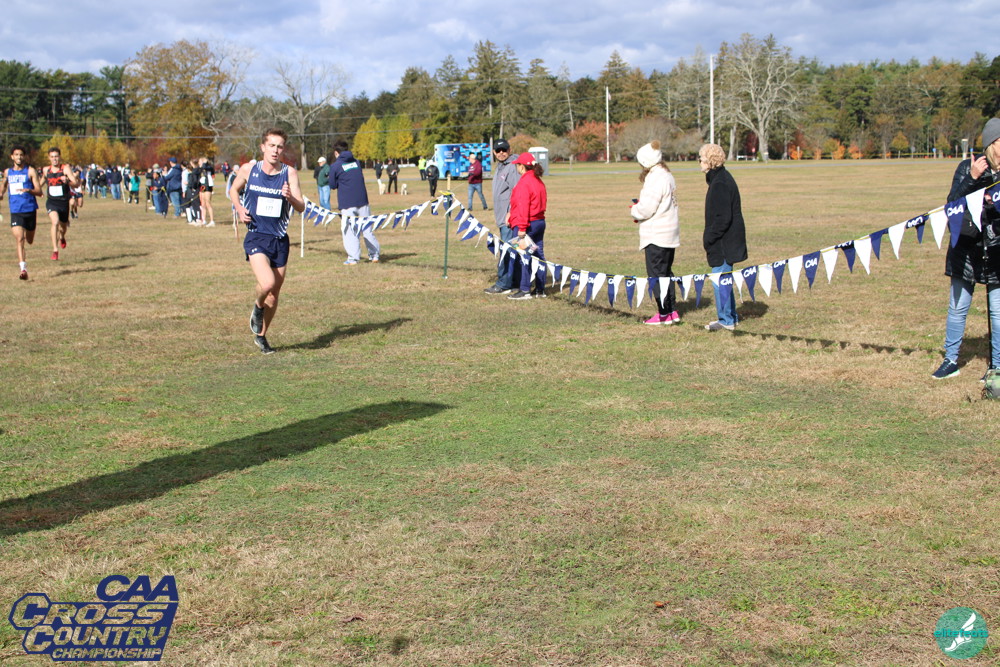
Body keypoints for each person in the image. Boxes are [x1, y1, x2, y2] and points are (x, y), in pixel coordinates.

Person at [932, 117, 1000, 380]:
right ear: (992, 143)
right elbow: (952, 204)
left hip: (996, 250)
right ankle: (950, 360)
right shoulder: (967, 167)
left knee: (997, 313)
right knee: (958, 308)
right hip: (966, 249)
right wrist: (972, 178)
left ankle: (996, 367)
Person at [229, 128, 305, 355]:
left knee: (274, 294)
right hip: (256, 235)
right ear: (263, 147)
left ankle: (261, 336)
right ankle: (257, 306)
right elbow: (233, 190)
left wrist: (290, 197)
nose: (275, 150)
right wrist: (239, 208)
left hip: (279, 239)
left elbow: (301, 206)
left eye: (279, 146)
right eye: (271, 145)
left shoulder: (289, 173)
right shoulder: (249, 169)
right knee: (267, 284)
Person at [630, 141, 681, 325]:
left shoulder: (655, 178)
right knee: (666, 273)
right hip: (669, 232)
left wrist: (634, 210)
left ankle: (664, 313)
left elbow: (646, 209)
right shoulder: (667, 175)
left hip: (657, 234)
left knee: (656, 275)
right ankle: (672, 311)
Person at [699, 143, 747, 331]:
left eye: (702, 159)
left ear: (710, 161)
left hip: (724, 242)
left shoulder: (720, 183)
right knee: (724, 279)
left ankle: (726, 320)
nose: (699, 162)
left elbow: (723, 218)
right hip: (725, 240)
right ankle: (730, 317)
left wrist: (709, 237)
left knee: (720, 279)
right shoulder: (719, 179)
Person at [330, 140, 380, 265]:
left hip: (347, 203)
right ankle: (374, 255)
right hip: (362, 200)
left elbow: (332, 185)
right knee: (367, 229)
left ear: (336, 153)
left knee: (349, 231)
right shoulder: (356, 162)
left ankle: (353, 258)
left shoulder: (335, 166)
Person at [506, 152, 547, 300]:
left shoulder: (524, 183)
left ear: (522, 166)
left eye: (517, 165)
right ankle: (540, 289)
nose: (516, 168)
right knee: (539, 255)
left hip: (527, 223)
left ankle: (524, 289)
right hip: (539, 222)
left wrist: (522, 228)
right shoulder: (538, 181)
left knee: (525, 256)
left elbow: (523, 206)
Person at [484, 139, 521, 295]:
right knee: (513, 250)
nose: (501, 153)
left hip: (509, 218)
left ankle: (503, 283)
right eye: (498, 150)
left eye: (504, 150)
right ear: (494, 152)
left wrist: (510, 213)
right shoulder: (500, 166)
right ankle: (515, 282)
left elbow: (517, 191)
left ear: (509, 150)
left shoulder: (512, 166)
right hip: (501, 216)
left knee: (506, 250)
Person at [0, 145, 43, 280]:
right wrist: (1, 193)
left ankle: (23, 266)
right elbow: (4, 185)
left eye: (21, 155)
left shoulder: (30, 171)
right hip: (15, 210)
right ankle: (23, 269)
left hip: (30, 209)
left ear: (24, 156)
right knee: (20, 239)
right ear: (12, 157)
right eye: (16, 155)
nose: (19, 157)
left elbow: (39, 191)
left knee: (29, 240)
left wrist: (29, 190)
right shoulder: (8, 172)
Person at [42, 147, 80, 261]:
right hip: (51, 202)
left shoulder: (65, 168)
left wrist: (67, 181)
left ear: (59, 157)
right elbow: (39, 183)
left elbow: (76, 184)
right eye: (52, 157)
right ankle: (55, 250)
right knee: (55, 222)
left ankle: (62, 237)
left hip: (63, 202)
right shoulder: (46, 170)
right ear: (49, 158)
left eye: (56, 156)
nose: (54, 159)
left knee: (63, 227)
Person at [198, 157, 216, 226]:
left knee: (208, 202)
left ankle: (212, 220)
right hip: (202, 185)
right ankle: (204, 219)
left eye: (200, 161)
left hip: (208, 185)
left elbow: (207, 168)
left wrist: (205, 163)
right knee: (203, 203)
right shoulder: (200, 168)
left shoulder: (208, 167)